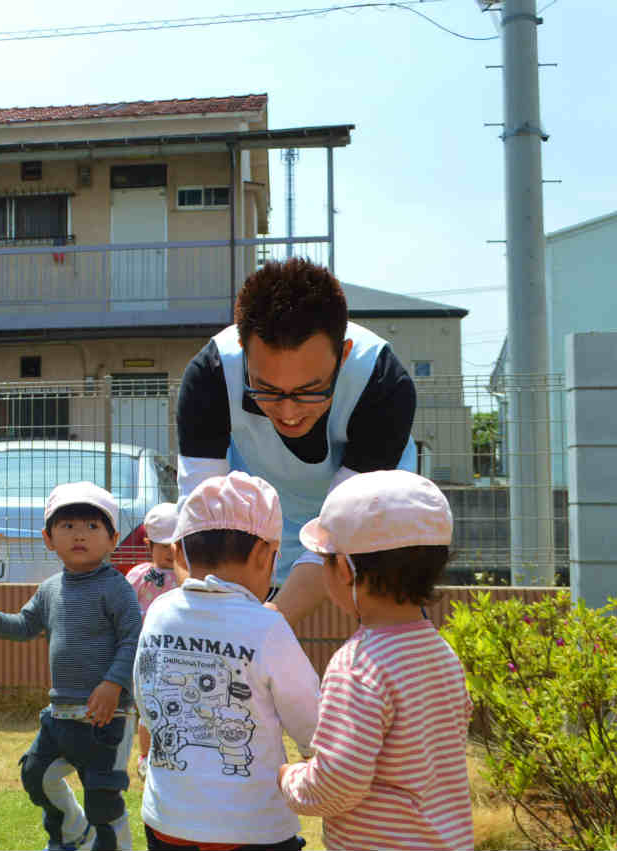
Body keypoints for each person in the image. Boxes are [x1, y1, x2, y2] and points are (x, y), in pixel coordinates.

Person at [175, 258, 418, 627]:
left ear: (344, 354)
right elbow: (201, 520)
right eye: (267, 389)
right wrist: (212, 617)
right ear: (243, 349)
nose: (288, 412)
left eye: (310, 390)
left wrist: (265, 628)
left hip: (364, 526)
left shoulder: (383, 384)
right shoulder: (210, 375)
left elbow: (339, 530)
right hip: (259, 521)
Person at [278, 470, 473, 850]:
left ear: (344, 568)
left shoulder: (357, 667)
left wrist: (288, 777)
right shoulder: (442, 654)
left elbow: (335, 785)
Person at [0, 482, 143, 851]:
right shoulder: (50, 589)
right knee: (36, 775)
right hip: (60, 715)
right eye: (67, 526)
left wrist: (113, 684)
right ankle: (72, 833)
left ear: (113, 539)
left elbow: (134, 639)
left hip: (107, 718)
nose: (79, 535)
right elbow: (24, 625)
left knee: (103, 799)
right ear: (48, 539)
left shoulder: (116, 588)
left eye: (92, 526)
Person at [135, 472, 320, 851]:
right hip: (251, 826)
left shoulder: (158, 612)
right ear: (263, 555)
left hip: (168, 819)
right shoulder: (266, 626)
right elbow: (309, 716)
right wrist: (317, 760)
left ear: (179, 552)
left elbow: (146, 692)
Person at [123, 502, 183, 780]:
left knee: (178, 707)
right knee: (148, 708)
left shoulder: (187, 578)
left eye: (176, 545)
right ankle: (146, 756)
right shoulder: (139, 576)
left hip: (178, 653)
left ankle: (174, 752)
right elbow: (125, 609)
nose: (170, 552)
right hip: (147, 654)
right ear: (148, 545)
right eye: (163, 546)